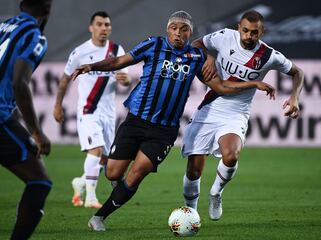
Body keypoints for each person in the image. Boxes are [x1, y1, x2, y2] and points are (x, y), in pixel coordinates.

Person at [71, 10, 275, 232]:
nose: (178, 33)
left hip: (164, 131)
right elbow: (120, 61)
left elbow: (221, 87)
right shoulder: (153, 45)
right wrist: (92, 66)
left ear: (190, 33)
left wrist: (253, 84)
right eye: (174, 28)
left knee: (138, 173)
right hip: (136, 121)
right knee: (112, 173)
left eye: (184, 29)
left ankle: (99, 217)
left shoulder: (196, 58)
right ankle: (117, 188)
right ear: (168, 29)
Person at [182, 10, 305, 221]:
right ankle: (190, 212)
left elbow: (297, 72)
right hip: (210, 108)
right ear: (239, 27)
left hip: (236, 113)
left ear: (262, 31)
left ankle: (216, 193)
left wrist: (294, 97)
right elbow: (196, 43)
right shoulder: (224, 37)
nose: (249, 36)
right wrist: (210, 56)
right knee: (194, 170)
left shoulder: (269, 55)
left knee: (231, 156)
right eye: (245, 31)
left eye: (254, 33)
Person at [53, 11, 130, 209]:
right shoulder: (80, 52)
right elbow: (64, 80)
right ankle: (91, 199)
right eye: (100, 24)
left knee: (107, 160)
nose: (104, 28)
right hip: (88, 111)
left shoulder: (117, 49)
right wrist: (57, 105)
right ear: (91, 27)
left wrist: (125, 80)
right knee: (95, 150)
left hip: (108, 113)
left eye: (107, 25)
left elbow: (126, 79)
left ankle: (80, 183)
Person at [0, 0, 53, 239]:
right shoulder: (34, 36)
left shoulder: (2, 27)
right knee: (39, 181)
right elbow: (19, 82)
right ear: (47, 11)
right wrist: (36, 131)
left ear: (21, 5)